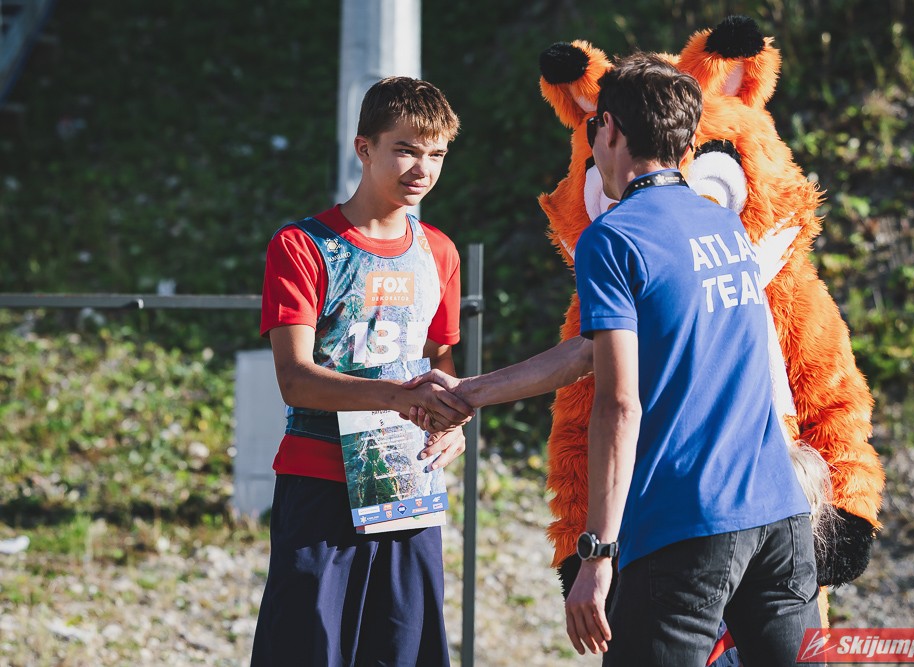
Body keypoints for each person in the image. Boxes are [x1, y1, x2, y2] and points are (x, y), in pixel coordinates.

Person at [413, 52, 820, 666]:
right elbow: (588, 352)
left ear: (607, 128)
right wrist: (470, 393)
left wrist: (597, 555)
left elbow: (619, 403)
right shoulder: (723, 224)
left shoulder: (614, 236)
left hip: (687, 523)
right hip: (780, 518)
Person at [250, 76, 474, 667]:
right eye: (405, 149)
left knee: (402, 650)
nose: (422, 168)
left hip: (407, 485)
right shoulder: (302, 245)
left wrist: (454, 423)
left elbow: (440, 361)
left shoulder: (440, 252)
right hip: (319, 484)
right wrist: (397, 395)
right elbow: (295, 379)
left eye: (436, 154)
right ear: (364, 148)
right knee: (309, 650)